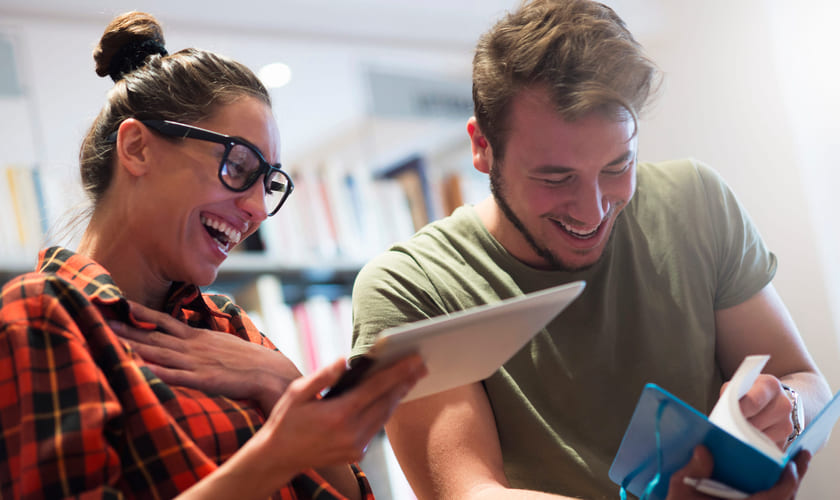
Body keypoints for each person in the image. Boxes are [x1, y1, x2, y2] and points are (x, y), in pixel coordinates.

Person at [349, 0, 832, 499]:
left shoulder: (696, 200)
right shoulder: (411, 287)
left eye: (618, 166)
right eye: (555, 178)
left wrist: (787, 408)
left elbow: (804, 379)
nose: (593, 209)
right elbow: (469, 492)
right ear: (482, 147)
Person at [0, 11, 426, 500]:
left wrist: (282, 381)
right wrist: (274, 457)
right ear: (137, 148)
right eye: (238, 165)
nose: (257, 210)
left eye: (268, 184)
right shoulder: (43, 314)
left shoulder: (227, 325)